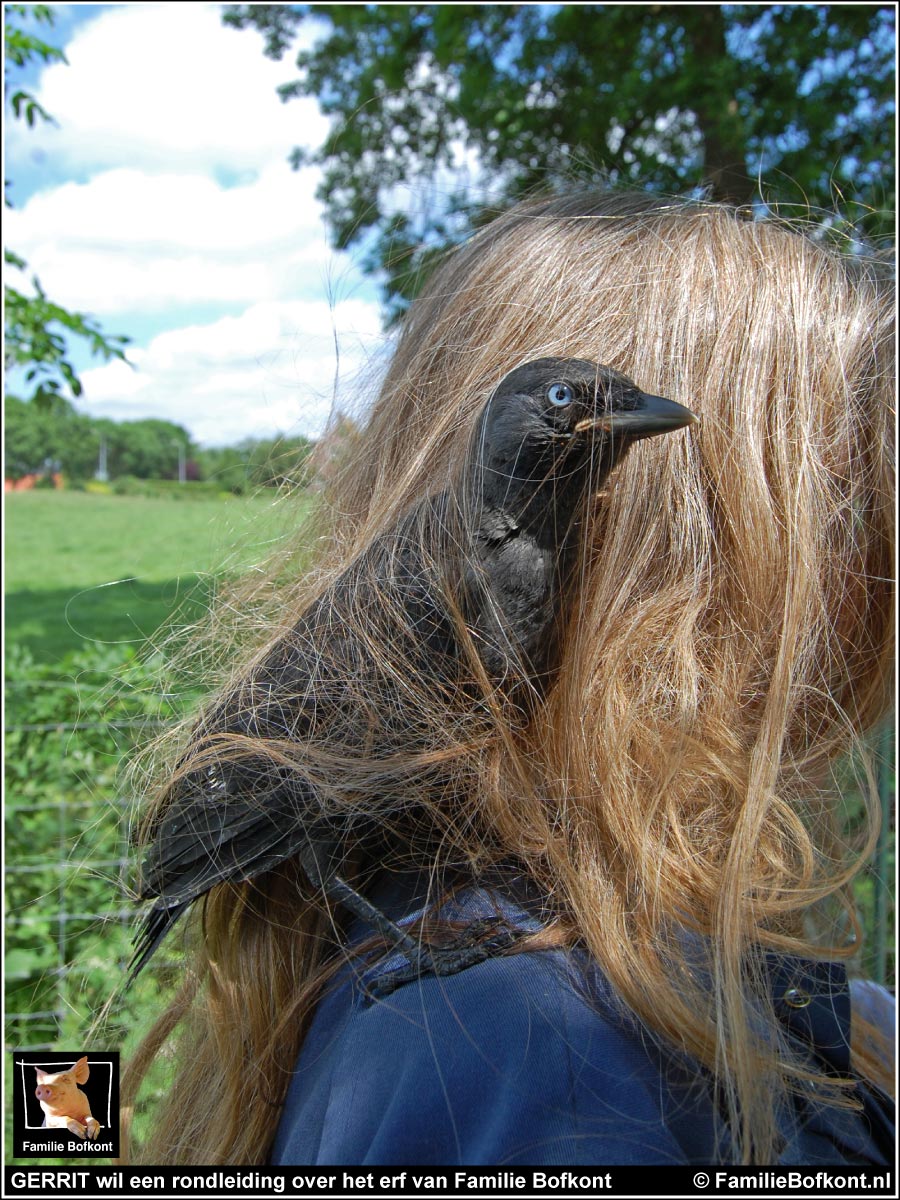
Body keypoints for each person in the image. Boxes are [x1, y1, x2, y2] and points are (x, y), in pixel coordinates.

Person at [123, 191, 894, 1166]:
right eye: (848, 503)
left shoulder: (540, 1020)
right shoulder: (536, 1064)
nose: (878, 568)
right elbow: (296, 774)